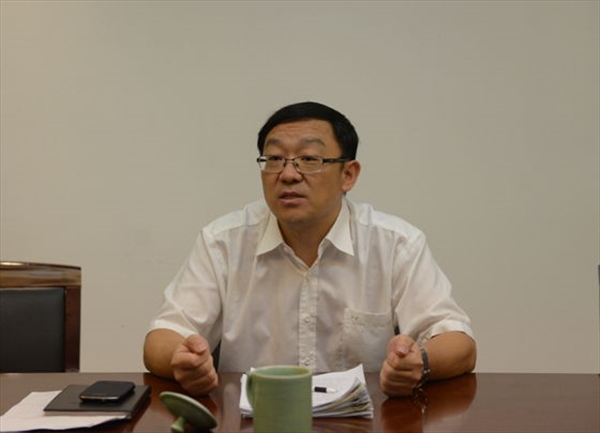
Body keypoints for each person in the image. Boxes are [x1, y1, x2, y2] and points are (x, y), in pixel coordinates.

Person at [143, 101, 476, 398]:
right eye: (274, 159)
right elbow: (162, 338)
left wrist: (420, 363)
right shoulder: (223, 242)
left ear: (348, 174)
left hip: (362, 423)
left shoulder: (396, 244)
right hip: (253, 421)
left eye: (309, 159)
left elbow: (459, 344)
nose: (288, 174)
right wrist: (182, 359)